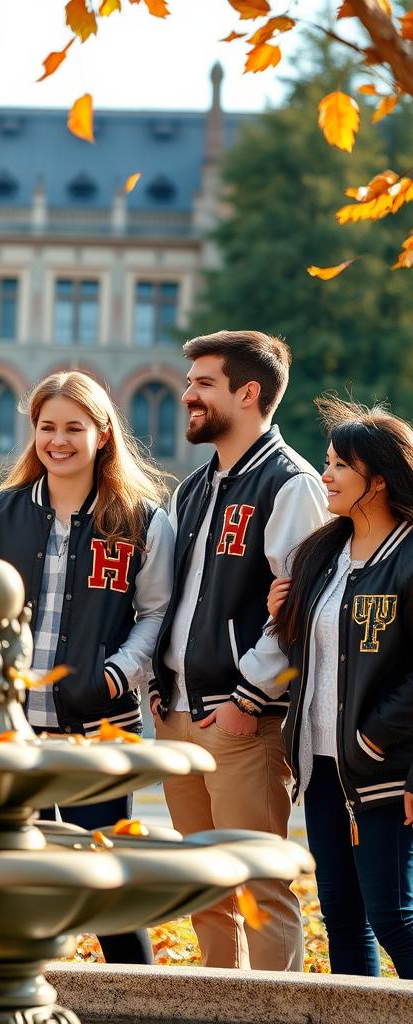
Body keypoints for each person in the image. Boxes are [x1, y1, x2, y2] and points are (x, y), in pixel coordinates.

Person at [0, 370, 173, 966]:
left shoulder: (141, 519)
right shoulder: (2, 513)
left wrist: (116, 672)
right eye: (47, 427)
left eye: (74, 428)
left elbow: (155, 613)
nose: (59, 440)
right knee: (16, 886)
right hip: (13, 732)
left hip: (97, 730)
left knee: (105, 889)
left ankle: (137, 1003)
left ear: (102, 434)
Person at [150, 330, 328, 972]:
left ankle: (277, 1015)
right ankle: (220, 1008)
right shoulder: (195, 487)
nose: (186, 394)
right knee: (207, 889)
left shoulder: (292, 486)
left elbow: (300, 612)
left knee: (258, 886)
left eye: (203, 384)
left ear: (247, 393)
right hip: (177, 715)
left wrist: (248, 697)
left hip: (240, 722)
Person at [268, 397, 413, 979]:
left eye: (338, 466)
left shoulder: (407, 555)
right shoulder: (323, 554)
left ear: (376, 480)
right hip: (323, 762)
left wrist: (377, 743)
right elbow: (323, 652)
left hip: (384, 766)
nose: (323, 475)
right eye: (326, 462)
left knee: (393, 916)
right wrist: (283, 614)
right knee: (343, 919)